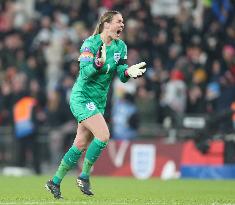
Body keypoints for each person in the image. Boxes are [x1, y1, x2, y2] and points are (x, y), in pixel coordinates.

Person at [45, 10, 146, 199]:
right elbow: (84, 73)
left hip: (98, 101)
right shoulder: (90, 44)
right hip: (82, 98)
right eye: (118, 21)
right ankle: (84, 176)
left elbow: (122, 74)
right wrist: (97, 65)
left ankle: (55, 181)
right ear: (106, 24)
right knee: (103, 135)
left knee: (81, 143)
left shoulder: (121, 47)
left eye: (123, 22)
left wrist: (128, 73)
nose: (122, 25)